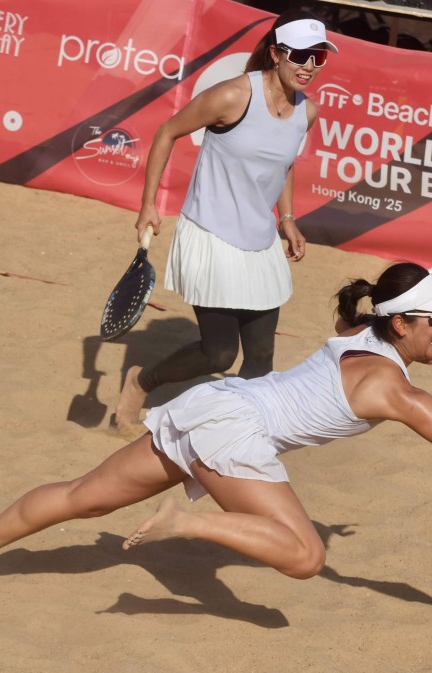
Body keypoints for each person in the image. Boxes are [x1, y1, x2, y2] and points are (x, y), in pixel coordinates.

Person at [0, 262, 432, 587]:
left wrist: (419, 350)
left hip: (213, 405)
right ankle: (185, 523)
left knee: (80, 497)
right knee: (307, 557)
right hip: (234, 435)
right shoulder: (397, 393)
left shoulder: (356, 335)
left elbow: (372, 343)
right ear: (401, 323)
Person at [114, 11, 337, 429]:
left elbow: (284, 163)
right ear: (275, 52)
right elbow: (166, 132)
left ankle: (236, 433)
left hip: (260, 240)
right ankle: (140, 382)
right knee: (218, 355)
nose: (308, 66)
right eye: (300, 55)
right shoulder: (234, 96)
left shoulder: (307, 112)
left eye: (318, 56)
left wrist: (287, 217)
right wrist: (149, 204)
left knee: (261, 359)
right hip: (212, 233)